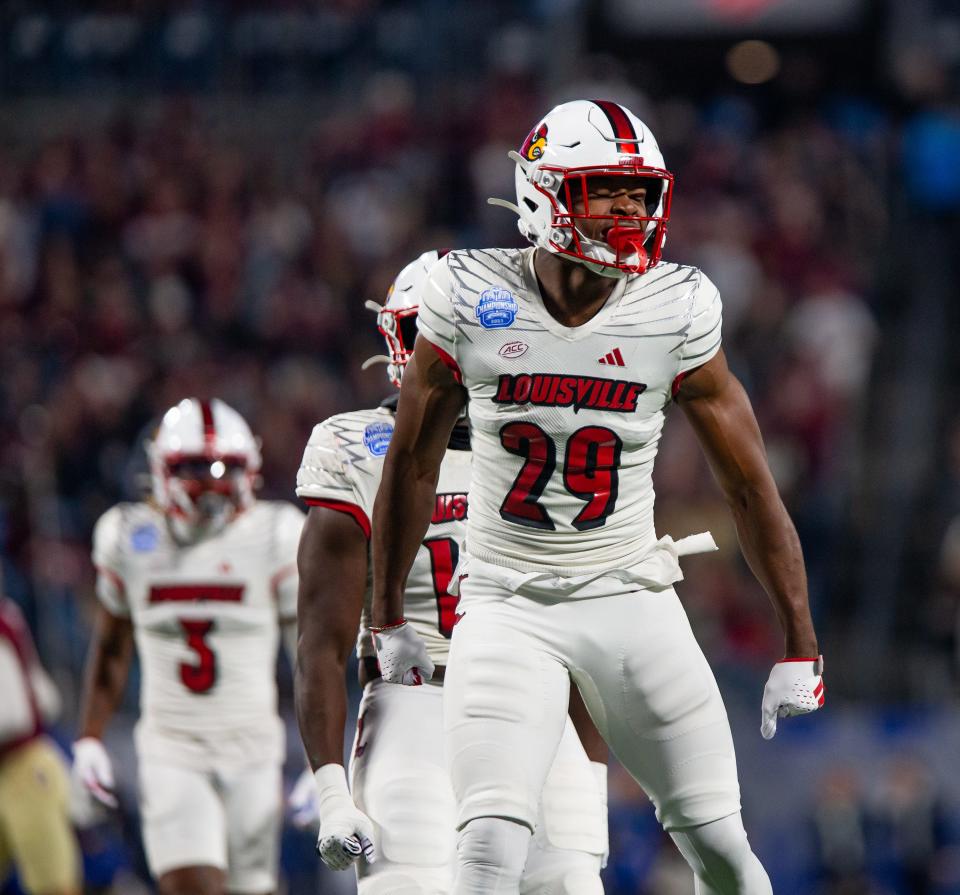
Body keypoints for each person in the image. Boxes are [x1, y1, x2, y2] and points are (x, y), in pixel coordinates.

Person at [370, 100, 825, 895]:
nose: (630, 211)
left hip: (630, 595)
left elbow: (749, 484)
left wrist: (801, 640)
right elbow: (409, 462)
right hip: (507, 602)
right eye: (607, 191)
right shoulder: (468, 293)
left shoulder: (675, 306)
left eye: (639, 193)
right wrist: (388, 618)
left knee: (721, 848)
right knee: (485, 850)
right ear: (544, 195)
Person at [292, 250, 609, 894]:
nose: (453, 352)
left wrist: (590, 767)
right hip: (415, 710)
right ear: (398, 339)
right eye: (430, 332)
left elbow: (579, 622)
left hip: (534, 713)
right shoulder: (354, 448)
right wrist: (330, 790)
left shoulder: (549, 438)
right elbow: (320, 643)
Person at [72, 398, 304, 895]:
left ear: (252, 469)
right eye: (196, 468)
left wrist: (318, 762)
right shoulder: (131, 536)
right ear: (161, 470)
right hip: (171, 746)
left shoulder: (274, 534)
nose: (213, 483)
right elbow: (112, 646)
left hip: (253, 749)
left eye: (226, 468)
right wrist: (90, 737)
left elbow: (306, 655)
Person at [0, 595, 80, 895]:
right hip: (19, 764)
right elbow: (46, 697)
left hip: (23, 769)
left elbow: (12, 716)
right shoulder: (9, 613)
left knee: (53, 888)